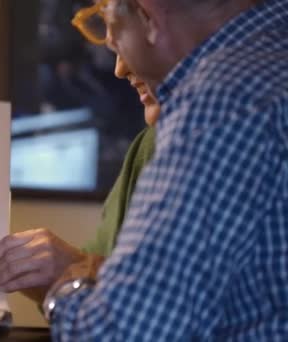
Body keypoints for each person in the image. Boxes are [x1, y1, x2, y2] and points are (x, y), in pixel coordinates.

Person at [43, 0, 288, 340]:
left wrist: (64, 290)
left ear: (148, 15)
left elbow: (121, 332)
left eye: (110, 20)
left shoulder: (226, 101)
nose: (114, 50)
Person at [0, 53, 159, 302]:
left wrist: (75, 270)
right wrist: (50, 279)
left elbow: (173, 302)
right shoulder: (146, 145)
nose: (120, 69)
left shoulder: (183, 140)